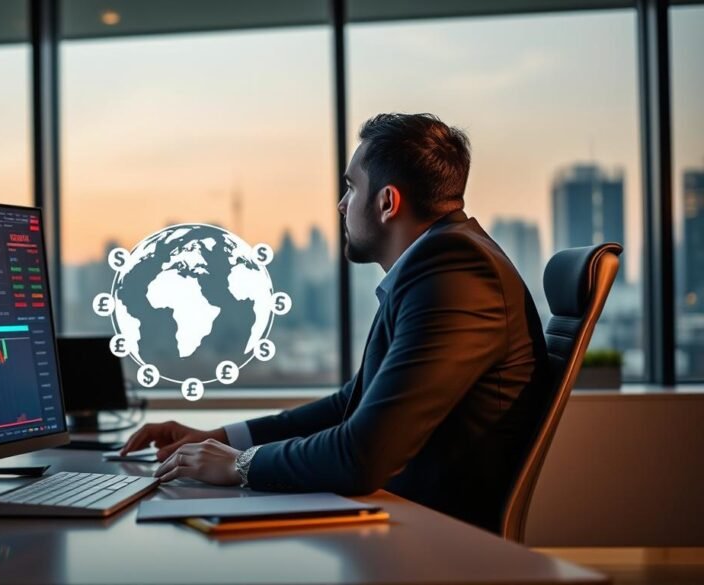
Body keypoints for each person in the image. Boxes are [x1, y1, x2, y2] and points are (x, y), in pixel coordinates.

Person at [120, 112, 550, 532]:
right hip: (402, 522)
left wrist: (238, 465)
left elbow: (363, 456)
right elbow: (351, 403)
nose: (341, 205)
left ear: (387, 202)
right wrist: (222, 438)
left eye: (350, 187)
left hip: (432, 542)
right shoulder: (435, 264)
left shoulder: (456, 274)